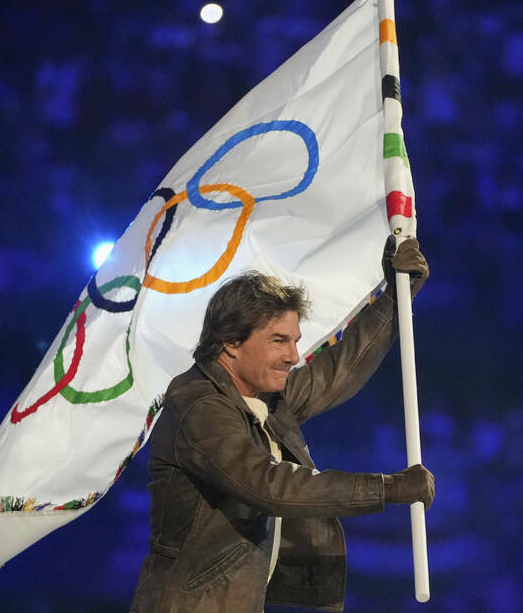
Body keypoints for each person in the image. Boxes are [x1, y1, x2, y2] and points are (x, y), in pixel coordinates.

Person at [129, 238, 435, 612]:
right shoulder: (199, 405)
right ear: (230, 343)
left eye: (294, 341)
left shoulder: (263, 396)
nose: (292, 356)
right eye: (278, 341)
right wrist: (387, 489)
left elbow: (338, 371)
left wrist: (396, 298)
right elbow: (268, 485)